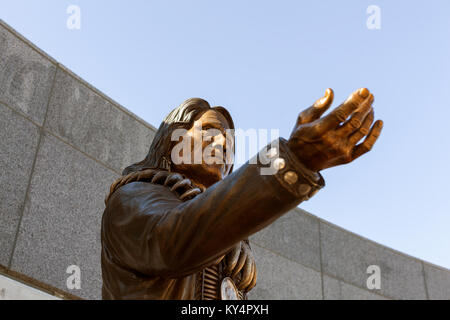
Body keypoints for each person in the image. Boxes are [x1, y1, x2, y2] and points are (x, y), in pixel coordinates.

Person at [101, 88, 383, 299]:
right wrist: (294, 160)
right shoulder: (131, 197)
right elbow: (172, 242)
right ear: (172, 140)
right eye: (209, 130)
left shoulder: (229, 237)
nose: (223, 142)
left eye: (230, 140)